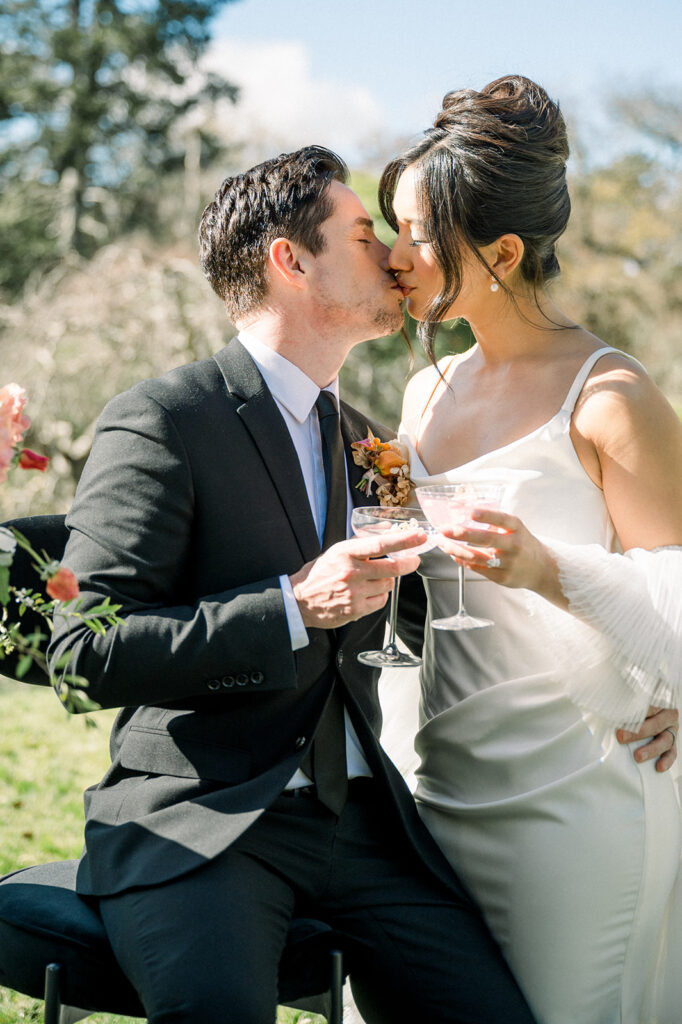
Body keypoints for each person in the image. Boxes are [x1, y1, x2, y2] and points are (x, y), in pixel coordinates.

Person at [47, 146, 538, 1024]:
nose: (392, 256)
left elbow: (402, 630)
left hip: (368, 830)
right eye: (362, 234)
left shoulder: (366, 438)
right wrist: (288, 606)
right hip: (204, 824)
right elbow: (81, 650)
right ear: (290, 260)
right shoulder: (165, 421)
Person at [381, 75, 682, 1023]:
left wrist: (546, 571)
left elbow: (680, 606)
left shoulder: (610, 397)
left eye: (415, 236)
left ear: (502, 252)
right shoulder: (425, 395)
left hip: (578, 795)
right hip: (431, 780)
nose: (395, 258)